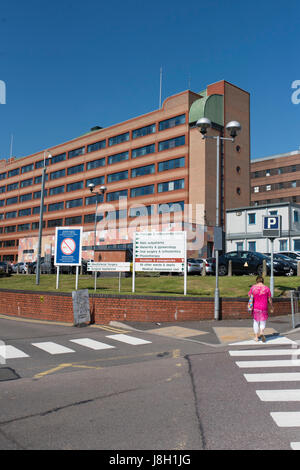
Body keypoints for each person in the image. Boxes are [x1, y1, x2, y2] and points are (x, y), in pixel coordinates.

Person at [248, 275, 273, 342]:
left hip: (256, 307)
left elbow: (249, 296)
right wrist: (271, 306)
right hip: (264, 307)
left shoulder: (253, 288)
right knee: (263, 320)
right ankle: (261, 332)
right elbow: (270, 299)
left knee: (256, 321)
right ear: (263, 281)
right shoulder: (266, 288)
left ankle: (256, 337)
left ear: (257, 281)